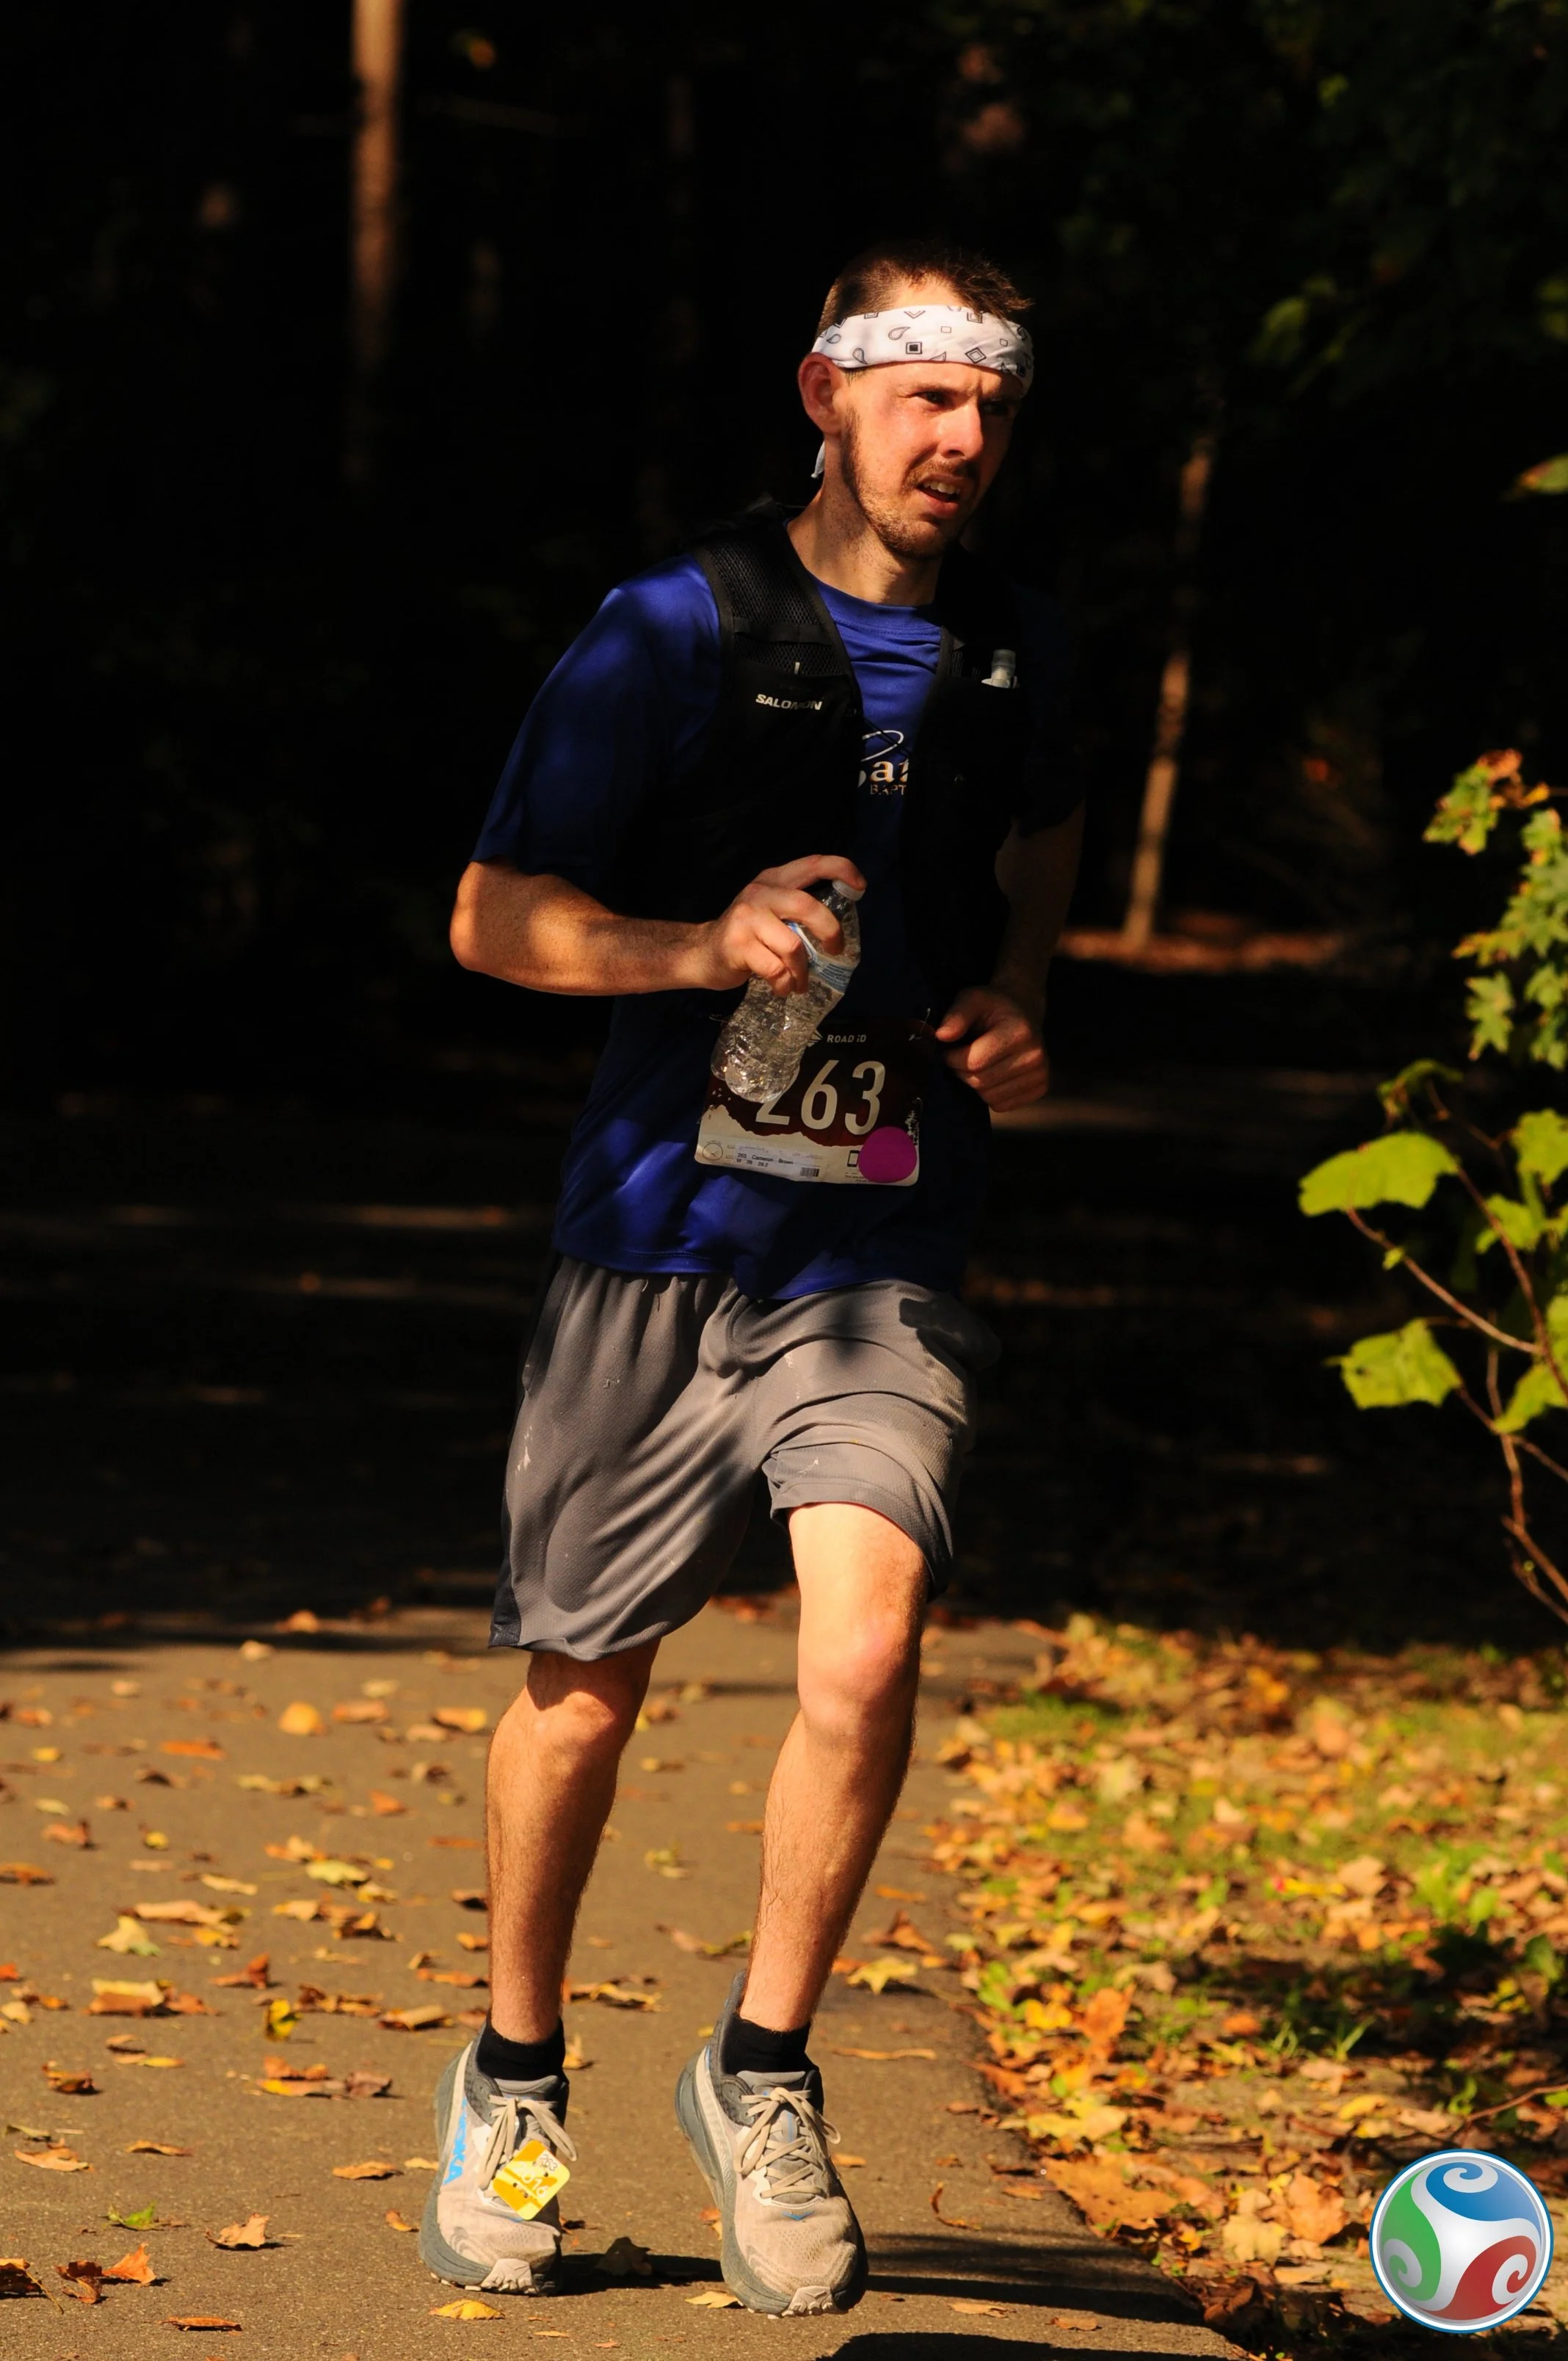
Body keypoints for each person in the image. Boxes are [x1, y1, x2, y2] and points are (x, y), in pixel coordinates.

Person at [420, 236, 1084, 2316]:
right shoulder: (673, 631)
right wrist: (688, 951)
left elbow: (1039, 864)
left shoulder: (1022, 657)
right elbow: (491, 915)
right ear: (828, 396)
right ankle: (515, 2073)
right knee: (581, 1698)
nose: (961, 439)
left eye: (990, 404)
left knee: (866, 1647)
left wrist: (1015, 1002)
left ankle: (766, 2072)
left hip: (879, 1248)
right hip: (652, 1238)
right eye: (924, 397)